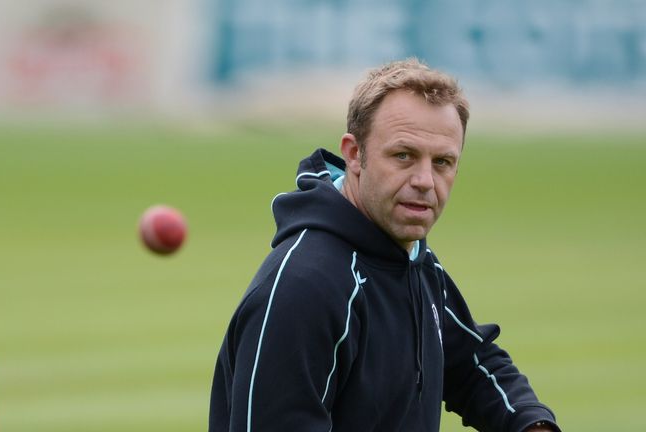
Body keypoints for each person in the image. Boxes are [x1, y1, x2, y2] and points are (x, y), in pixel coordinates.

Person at [209, 58, 560, 432]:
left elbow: (470, 362)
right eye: (403, 155)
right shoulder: (306, 287)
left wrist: (530, 424)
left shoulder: (411, 258)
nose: (425, 180)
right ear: (355, 154)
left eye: (442, 162)